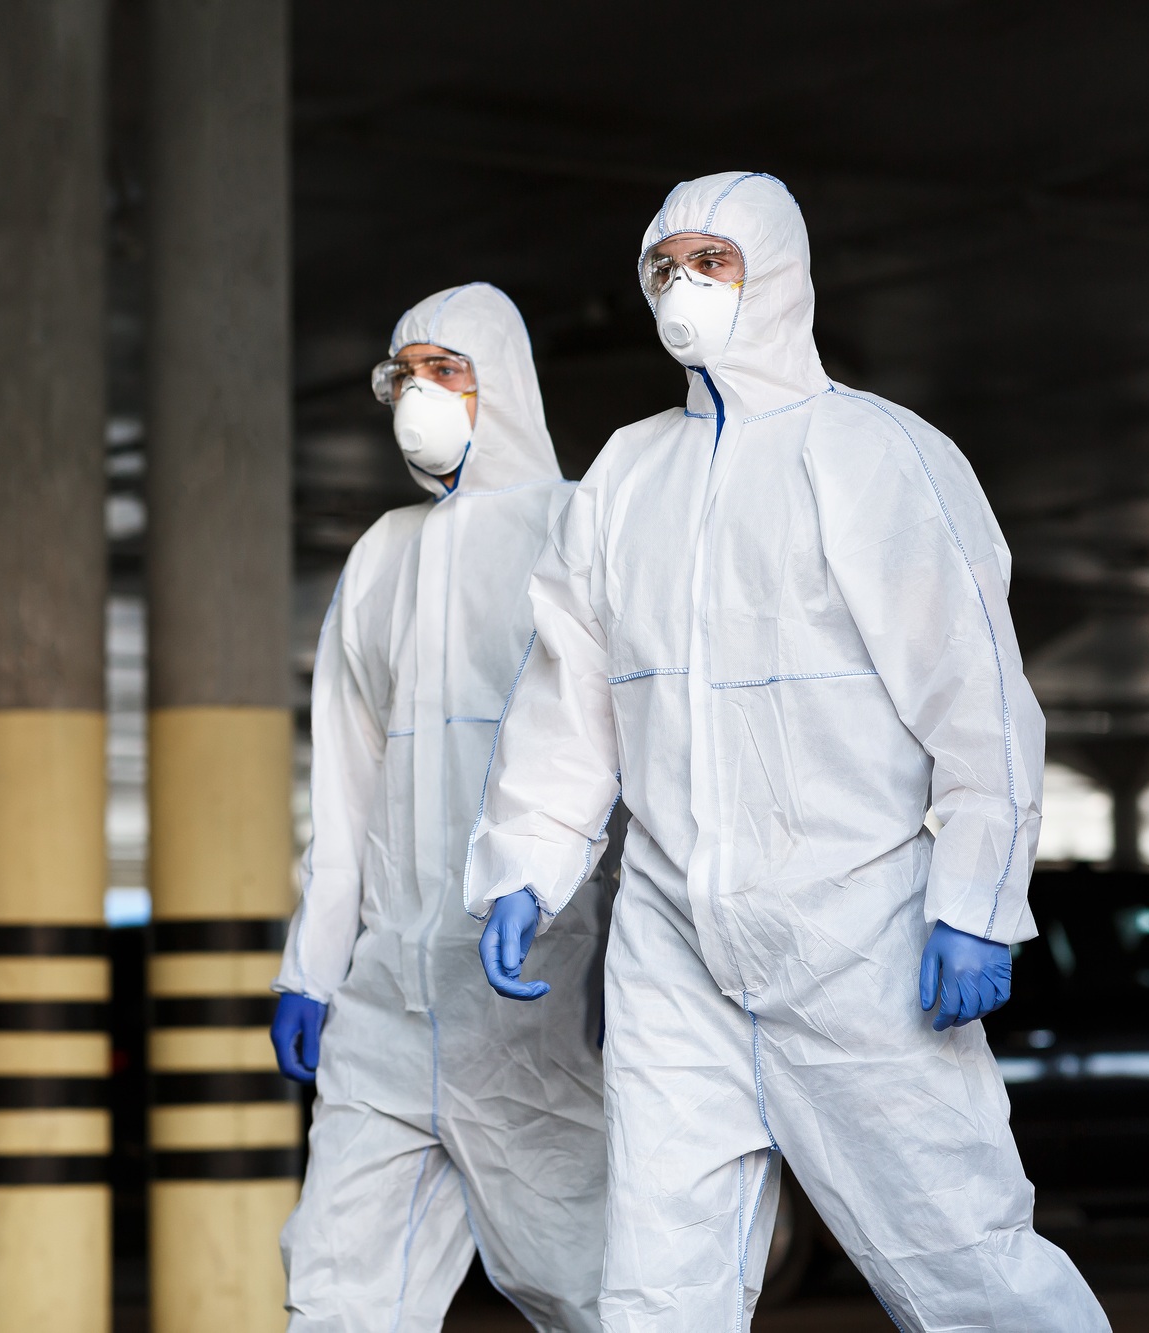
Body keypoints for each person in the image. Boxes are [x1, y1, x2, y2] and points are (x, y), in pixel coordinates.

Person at [464, 174, 1110, 1331]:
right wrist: (525, 857)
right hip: (674, 956)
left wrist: (973, 892)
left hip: (856, 946)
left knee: (966, 1269)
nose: (682, 287)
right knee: (656, 1289)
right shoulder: (623, 476)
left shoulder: (877, 456)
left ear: (774, 270)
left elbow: (975, 699)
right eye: (663, 266)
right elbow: (571, 698)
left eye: (710, 261)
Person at [272, 283, 613, 1333]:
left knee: (592, 1286)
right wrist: (312, 967)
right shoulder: (380, 556)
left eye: (445, 371)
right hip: (386, 1001)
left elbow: (620, 756)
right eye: (403, 377)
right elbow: (345, 790)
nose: (418, 397)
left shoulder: (578, 525)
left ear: (499, 385)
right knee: (337, 1288)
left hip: (536, 1001)